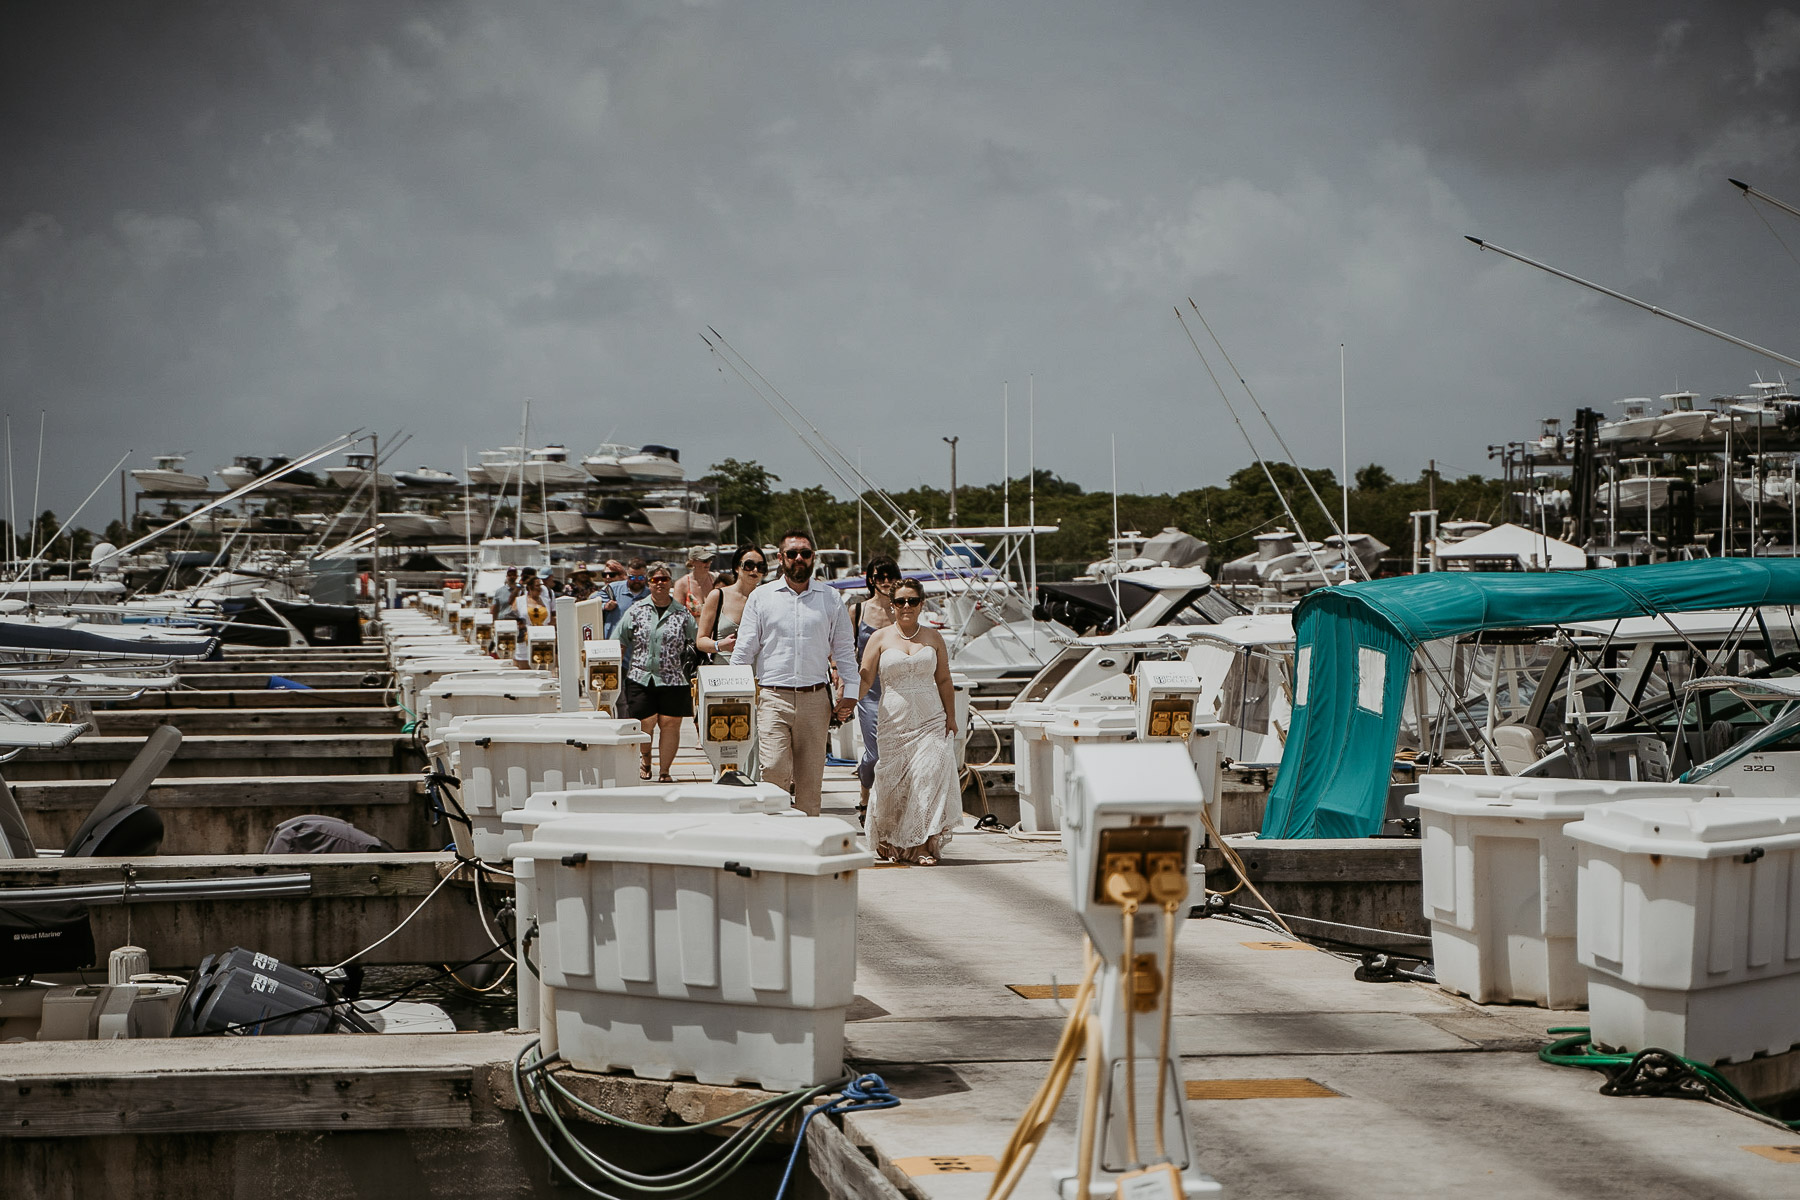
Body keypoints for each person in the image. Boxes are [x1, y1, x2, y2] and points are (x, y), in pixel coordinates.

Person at [730, 531, 857, 816]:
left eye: (805, 553)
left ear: (813, 558)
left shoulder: (830, 597)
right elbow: (743, 651)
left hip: (816, 700)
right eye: (792, 553)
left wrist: (850, 694)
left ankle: (808, 842)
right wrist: (734, 694)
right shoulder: (761, 597)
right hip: (773, 698)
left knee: (810, 781)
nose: (799, 558)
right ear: (780, 558)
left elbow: (845, 651)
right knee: (773, 770)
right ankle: (775, 840)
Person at [855, 578, 958, 864]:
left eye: (912, 601)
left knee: (928, 777)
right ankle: (892, 840)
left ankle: (922, 845)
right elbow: (865, 679)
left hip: (931, 719)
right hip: (894, 722)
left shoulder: (934, 637)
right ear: (892, 605)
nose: (906, 606)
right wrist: (846, 701)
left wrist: (951, 717)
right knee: (893, 782)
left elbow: (945, 679)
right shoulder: (880, 637)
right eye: (900, 601)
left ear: (922, 604)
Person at [618, 562, 699, 782]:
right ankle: (645, 759)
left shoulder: (682, 613)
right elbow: (620, 639)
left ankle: (665, 771)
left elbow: (696, 641)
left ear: (670, 583)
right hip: (641, 675)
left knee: (670, 724)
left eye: (664, 579)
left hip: (674, 677)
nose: (660, 584)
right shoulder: (636, 610)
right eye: (655, 580)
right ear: (649, 583)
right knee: (646, 721)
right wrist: (615, 668)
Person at [850, 555, 901, 825]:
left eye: (890, 576)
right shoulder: (858, 610)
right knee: (875, 753)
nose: (885, 582)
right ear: (870, 580)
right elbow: (847, 651)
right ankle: (865, 792)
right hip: (868, 692)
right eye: (879, 577)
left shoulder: (903, 610)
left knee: (896, 753)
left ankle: (887, 806)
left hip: (899, 689)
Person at [512, 571, 553, 667]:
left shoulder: (546, 601)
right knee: (524, 668)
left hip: (543, 639)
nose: (540, 588)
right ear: (530, 587)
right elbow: (512, 616)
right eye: (537, 586)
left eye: (541, 585)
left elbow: (551, 618)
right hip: (524, 639)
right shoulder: (519, 601)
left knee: (543, 667)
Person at [601, 558, 650, 637]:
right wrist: (605, 606)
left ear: (645, 576)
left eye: (640, 578)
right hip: (615, 642)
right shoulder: (612, 589)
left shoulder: (650, 594)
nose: (636, 581)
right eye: (632, 577)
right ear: (627, 575)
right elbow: (592, 605)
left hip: (638, 644)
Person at [671, 550, 716, 617]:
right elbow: (677, 614)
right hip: (692, 626)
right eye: (705, 561)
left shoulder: (715, 579)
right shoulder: (681, 584)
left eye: (710, 560)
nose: (708, 563)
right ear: (692, 562)